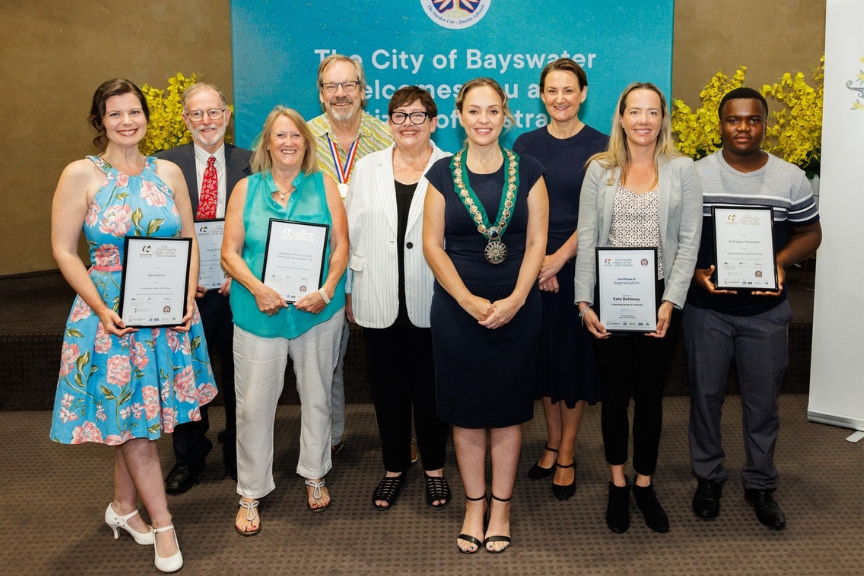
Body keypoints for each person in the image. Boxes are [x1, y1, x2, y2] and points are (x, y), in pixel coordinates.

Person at [49, 78, 218, 573]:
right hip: (109, 315)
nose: (127, 122)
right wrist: (100, 306)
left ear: (146, 117)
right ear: (100, 121)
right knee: (137, 425)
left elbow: (187, 237)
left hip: (165, 315)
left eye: (134, 112)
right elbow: (63, 250)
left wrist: (187, 294)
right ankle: (163, 524)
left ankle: (123, 508)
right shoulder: (81, 173)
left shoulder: (168, 171)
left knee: (139, 418)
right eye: (115, 114)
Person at [685, 87, 821, 529]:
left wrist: (779, 263)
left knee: (762, 404)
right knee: (705, 399)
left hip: (766, 314)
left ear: (766, 124)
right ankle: (708, 477)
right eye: (733, 119)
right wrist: (692, 276)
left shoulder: (791, 178)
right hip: (707, 311)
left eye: (753, 120)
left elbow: (810, 233)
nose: (743, 128)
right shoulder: (694, 176)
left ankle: (760, 483)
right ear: (719, 124)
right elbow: (675, 239)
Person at [423, 78, 548, 553]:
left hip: (517, 305)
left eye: (492, 111)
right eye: (474, 111)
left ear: (506, 116)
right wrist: (468, 301)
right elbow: (433, 247)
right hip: (458, 310)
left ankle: (502, 507)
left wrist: (516, 299)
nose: (483, 120)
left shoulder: (529, 169)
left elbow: (537, 241)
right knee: (467, 414)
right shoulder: (441, 173)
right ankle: (474, 506)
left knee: (508, 412)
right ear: (460, 116)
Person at [574, 82, 702, 534]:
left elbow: (689, 242)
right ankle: (617, 483)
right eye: (635, 112)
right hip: (609, 300)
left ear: (663, 118)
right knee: (613, 397)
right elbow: (587, 238)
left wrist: (672, 301)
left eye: (653, 112)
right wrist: (584, 301)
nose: (644, 120)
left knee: (649, 396)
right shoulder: (600, 170)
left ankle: (644, 484)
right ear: (621, 117)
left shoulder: (683, 170)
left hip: (661, 299)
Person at [221, 106, 348, 534]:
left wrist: (328, 290)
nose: (289, 142)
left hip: (317, 313)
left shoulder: (323, 185)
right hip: (259, 314)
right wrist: (259, 289)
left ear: (305, 144)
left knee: (317, 397)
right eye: (280, 136)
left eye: (295, 135)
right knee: (253, 407)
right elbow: (229, 253)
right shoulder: (246, 189)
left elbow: (342, 247)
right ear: (267, 144)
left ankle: (315, 473)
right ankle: (251, 491)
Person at [345, 86, 452, 511]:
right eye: (399, 115)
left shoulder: (450, 168)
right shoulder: (367, 168)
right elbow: (350, 234)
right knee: (387, 391)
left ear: (434, 121)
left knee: (431, 391)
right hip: (376, 295)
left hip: (434, 297)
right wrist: (351, 291)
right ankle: (393, 468)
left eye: (417, 115)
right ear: (388, 122)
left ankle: (435, 471)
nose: (408, 124)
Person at [512, 58, 607, 500]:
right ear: (542, 95)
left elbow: (597, 216)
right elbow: (520, 209)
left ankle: (567, 452)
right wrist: (539, 264)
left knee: (573, 365)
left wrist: (558, 260)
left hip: (579, 269)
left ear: (583, 94)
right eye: (552, 91)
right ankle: (551, 442)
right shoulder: (525, 144)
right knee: (545, 364)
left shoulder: (603, 148)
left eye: (569, 90)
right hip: (535, 267)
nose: (560, 98)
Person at [156, 83, 253, 492]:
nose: (206, 121)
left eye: (214, 112)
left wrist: (241, 270)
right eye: (197, 114)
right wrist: (181, 275)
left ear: (227, 116)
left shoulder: (253, 163)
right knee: (187, 375)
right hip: (187, 291)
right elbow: (158, 231)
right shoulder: (162, 165)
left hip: (238, 288)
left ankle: (237, 451)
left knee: (239, 375)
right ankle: (189, 457)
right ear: (185, 119)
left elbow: (262, 227)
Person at [308, 54, 393, 458]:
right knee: (326, 362)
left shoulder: (387, 136)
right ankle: (331, 435)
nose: (340, 94)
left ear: (364, 90)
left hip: (377, 266)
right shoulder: (301, 139)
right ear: (321, 93)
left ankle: (402, 435)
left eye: (349, 85)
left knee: (396, 360)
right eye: (331, 86)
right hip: (320, 270)